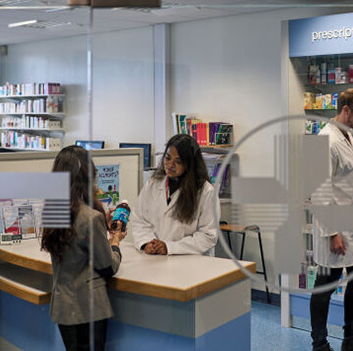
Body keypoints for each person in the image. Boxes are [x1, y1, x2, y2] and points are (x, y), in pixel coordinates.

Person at [41, 145, 126, 351]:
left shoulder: (52, 210)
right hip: (88, 309)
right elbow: (107, 267)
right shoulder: (90, 218)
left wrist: (100, 226)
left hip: (64, 308)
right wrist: (114, 243)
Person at [310, 88, 353, 351]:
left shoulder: (348, 136)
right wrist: (332, 232)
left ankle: (351, 338)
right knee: (325, 285)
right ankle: (320, 344)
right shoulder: (325, 139)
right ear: (345, 110)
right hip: (334, 225)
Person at [132, 133, 220, 255]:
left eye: (178, 161)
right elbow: (140, 220)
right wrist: (147, 243)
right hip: (156, 259)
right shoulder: (153, 184)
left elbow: (208, 236)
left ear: (190, 164)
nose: (170, 165)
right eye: (167, 158)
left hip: (191, 263)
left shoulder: (206, 192)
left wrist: (170, 247)